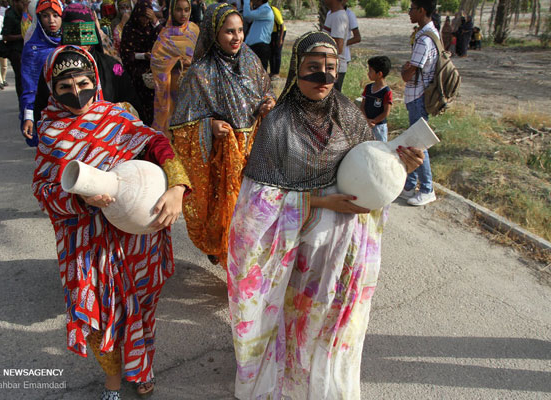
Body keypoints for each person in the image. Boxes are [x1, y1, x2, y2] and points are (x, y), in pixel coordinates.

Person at [227, 31, 424, 399]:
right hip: (302, 253)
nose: (323, 78)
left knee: (333, 328)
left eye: (331, 68)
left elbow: (370, 168)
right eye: (313, 68)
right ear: (295, 69)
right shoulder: (277, 124)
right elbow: (256, 204)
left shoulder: (348, 113)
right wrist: (316, 202)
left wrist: (402, 163)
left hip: (346, 250)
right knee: (301, 324)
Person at [32, 45, 190, 400]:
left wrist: (178, 185)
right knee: (99, 317)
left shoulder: (118, 119)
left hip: (137, 240)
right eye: (65, 87)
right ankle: (114, 380)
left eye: (85, 82)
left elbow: (157, 145)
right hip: (87, 244)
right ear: (52, 90)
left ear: (97, 80)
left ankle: (143, 368)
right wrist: (79, 198)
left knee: (142, 308)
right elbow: (43, 189)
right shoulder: (50, 133)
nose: (77, 93)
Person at [170, 2, 275, 266]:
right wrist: (209, 126)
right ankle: (230, 261)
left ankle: (246, 264)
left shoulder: (251, 61)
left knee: (252, 212)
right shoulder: (199, 73)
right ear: (214, 32)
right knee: (226, 213)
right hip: (221, 159)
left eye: (240, 30)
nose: (237, 37)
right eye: (229, 31)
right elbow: (182, 125)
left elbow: (266, 90)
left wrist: (268, 103)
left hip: (253, 151)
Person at [32, 3, 144, 135]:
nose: (80, 41)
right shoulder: (53, 68)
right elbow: (42, 107)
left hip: (110, 139)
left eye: (86, 32)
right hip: (66, 140)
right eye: (73, 33)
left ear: (94, 32)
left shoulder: (113, 67)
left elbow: (131, 102)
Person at [400, 0, 438, 206]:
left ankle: (427, 188)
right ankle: (410, 185)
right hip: (420, 95)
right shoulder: (432, 33)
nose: (409, 13)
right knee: (415, 141)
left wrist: (403, 70)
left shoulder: (424, 40)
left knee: (419, 145)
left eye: (412, 9)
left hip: (417, 96)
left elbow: (408, 74)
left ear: (422, 10)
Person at [149, 0, 198, 135]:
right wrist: (178, 62)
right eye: (179, 10)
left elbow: (203, 54)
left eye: (186, 10)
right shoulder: (165, 35)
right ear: (171, 10)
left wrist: (195, 62)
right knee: (173, 128)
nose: (183, 14)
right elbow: (156, 61)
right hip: (172, 89)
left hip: (193, 87)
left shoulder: (194, 30)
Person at [20, 0, 62, 147]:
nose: (51, 20)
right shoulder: (33, 49)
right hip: (46, 110)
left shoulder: (71, 42)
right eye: (45, 16)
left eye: (56, 15)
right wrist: (29, 116)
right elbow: (29, 85)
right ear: (38, 18)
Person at [120, 0, 164, 125]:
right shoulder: (130, 29)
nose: (145, 21)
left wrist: (155, 21)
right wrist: (144, 56)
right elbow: (126, 53)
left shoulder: (152, 27)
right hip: (137, 72)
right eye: (142, 17)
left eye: (147, 18)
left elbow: (165, 40)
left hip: (155, 72)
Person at [360, 55, 392, 142]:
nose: (368, 73)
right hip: (367, 124)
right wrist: (366, 120)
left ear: (379, 74)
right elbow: (362, 106)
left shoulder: (386, 92)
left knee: (380, 150)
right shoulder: (368, 88)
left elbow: (386, 112)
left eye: (370, 71)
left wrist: (374, 121)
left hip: (379, 127)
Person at [1, 0, 25, 101]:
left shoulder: (26, 14)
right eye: (22, 3)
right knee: (20, 77)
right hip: (16, 51)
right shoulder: (10, 16)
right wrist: (22, 35)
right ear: (16, 2)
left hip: (26, 49)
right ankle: (22, 103)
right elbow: (5, 37)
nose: (24, 5)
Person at [323, 0, 348, 92]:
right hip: (328, 66)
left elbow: (338, 47)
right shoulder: (331, 14)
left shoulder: (339, 17)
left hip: (334, 68)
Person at [242, 0, 273, 70]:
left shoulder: (266, 10)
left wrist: (246, 1)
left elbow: (247, 15)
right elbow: (248, 20)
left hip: (260, 47)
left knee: (260, 72)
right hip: (254, 46)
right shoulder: (260, 10)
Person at [268, 3, 285, 79]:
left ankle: (276, 72)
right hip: (272, 32)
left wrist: (280, 39)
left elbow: (281, 24)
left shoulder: (273, 10)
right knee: (271, 53)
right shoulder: (264, 10)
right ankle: (272, 72)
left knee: (277, 52)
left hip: (279, 32)